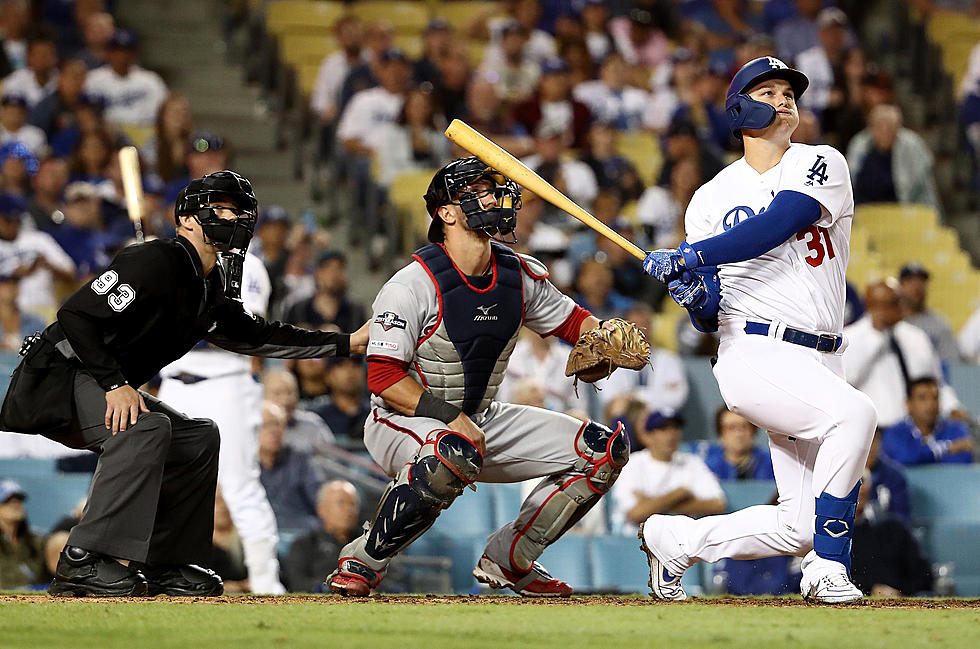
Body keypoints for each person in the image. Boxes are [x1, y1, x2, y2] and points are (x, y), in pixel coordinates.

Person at [0, 169, 368, 598]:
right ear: (188, 219)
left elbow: (262, 336)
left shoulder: (209, 287)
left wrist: (346, 343)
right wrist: (116, 383)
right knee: (145, 427)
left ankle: (166, 564)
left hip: (97, 382)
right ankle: (82, 558)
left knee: (197, 436)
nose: (234, 217)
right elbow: (75, 317)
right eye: (222, 208)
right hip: (60, 374)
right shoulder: (154, 260)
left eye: (240, 210)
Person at [326, 157, 630, 597]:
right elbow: (383, 377)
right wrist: (449, 417)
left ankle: (512, 559)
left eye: (493, 190)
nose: (493, 198)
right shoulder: (410, 284)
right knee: (451, 450)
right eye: (479, 191)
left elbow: (572, 323)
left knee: (602, 450)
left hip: (480, 419)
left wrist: (606, 336)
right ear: (445, 213)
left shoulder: (517, 275)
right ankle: (364, 560)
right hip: (401, 420)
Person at [640, 57, 877, 604]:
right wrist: (696, 296)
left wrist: (691, 256)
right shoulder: (709, 198)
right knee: (855, 413)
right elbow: (709, 310)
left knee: (798, 525)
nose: (785, 98)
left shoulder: (822, 161)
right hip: (754, 352)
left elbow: (780, 221)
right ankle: (829, 569)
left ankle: (675, 538)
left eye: (789, 90)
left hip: (820, 356)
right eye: (767, 91)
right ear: (739, 109)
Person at [156, 248, 287, 594]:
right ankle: (162, 575)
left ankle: (264, 580)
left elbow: (244, 332)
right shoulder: (171, 262)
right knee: (166, 487)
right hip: (172, 384)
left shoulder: (248, 266)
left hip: (225, 383)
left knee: (239, 484)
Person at [843, 279, 963, 428]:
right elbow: (847, 380)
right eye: (891, 304)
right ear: (871, 306)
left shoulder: (916, 337)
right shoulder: (849, 338)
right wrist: (877, 335)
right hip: (874, 430)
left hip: (915, 429)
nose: (899, 308)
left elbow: (935, 381)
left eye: (899, 302)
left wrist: (951, 406)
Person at [611, 411, 726, 536]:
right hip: (638, 540)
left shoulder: (692, 462)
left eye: (675, 428)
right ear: (648, 436)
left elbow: (717, 504)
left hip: (682, 540)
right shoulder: (632, 463)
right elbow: (635, 514)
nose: (671, 434)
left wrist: (650, 503)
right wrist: (679, 494)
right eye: (663, 429)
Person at [850, 471, 933, 597]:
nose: (858, 488)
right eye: (851, 482)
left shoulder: (894, 529)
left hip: (900, 604)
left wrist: (900, 593)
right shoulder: (828, 534)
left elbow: (923, 575)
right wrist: (870, 588)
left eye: (862, 481)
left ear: (870, 486)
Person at [256, 400, 324, 533]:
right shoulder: (244, 465)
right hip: (260, 533)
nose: (274, 431)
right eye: (266, 425)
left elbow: (319, 501)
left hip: (301, 534)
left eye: (278, 424)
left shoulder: (302, 460)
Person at [283, 480, 361, 593]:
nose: (349, 510)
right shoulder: (303, 546)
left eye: (352, 504)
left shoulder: (368, 545)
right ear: (321, 509)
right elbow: (297, 583)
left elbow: (389, 579)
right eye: (341, 503)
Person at [882, 377, 974, 466]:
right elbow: (903, 458)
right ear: (908, 403)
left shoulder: (956, 429)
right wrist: (946, 448)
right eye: (922, 398)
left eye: (935, 397)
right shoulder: (895, 433)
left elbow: (961, 462)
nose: (930, 404)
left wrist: (920, 459)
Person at [896, 262, 959, 364]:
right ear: (900, 286)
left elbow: (950, 363)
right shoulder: (891, 321)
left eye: (921, 281)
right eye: (910, 281)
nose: (917, 286)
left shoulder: (939, 324)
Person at [701, 406, 775, 481]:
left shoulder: (772, 463)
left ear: (753, 430)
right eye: (731, 427)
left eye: (744, 427)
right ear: (721, 433)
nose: (739, 434)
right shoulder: (708, 470)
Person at [0, 479, 45, 589]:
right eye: (8, 501)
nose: (15, 505)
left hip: (33, 594)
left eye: (18, 501)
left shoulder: (35, 540)